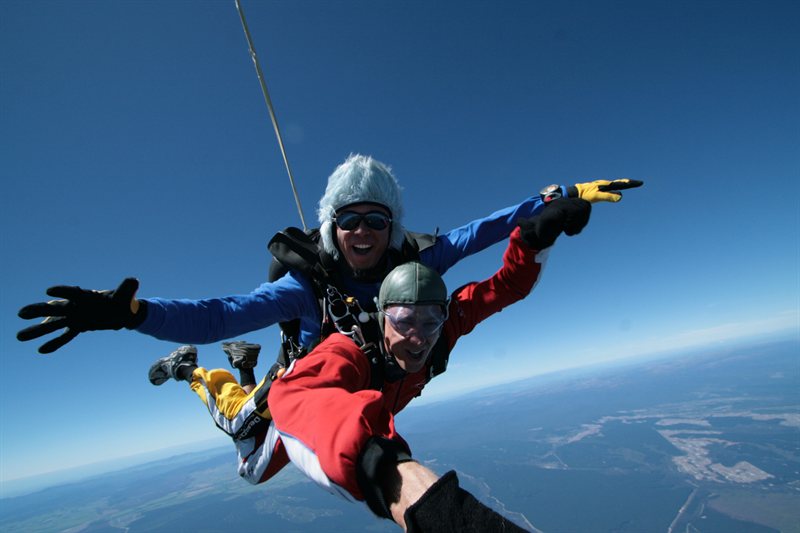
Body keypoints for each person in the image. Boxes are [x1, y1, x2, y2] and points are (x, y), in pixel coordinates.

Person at [147, 197, 593, 531]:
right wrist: (377, 463)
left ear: (444, 315)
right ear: (381, 317)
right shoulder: (350, 350)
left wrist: (532, 238)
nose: (418, 336)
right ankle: (192, 370)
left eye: (430, 319)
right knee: (248, 459)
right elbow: (301, 394)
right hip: (292, 391)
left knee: (251, 459)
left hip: (321, 401)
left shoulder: (444, 330)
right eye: (402, 320)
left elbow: (503, 288)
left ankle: (242, 364)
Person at [16, 154, 640, 366]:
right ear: (330, 226)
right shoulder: (305, 285)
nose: (363, 231)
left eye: (377, 219)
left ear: (393, 226)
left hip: (386, 373)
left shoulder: (420, 261)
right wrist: (135, 314)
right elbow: (220, 315)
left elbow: (488, 229)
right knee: (252, 456)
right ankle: (203, 376)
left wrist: (555, 199)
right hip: (312, 372)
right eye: (349, 220)